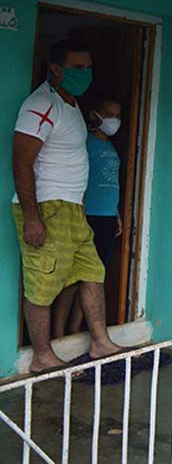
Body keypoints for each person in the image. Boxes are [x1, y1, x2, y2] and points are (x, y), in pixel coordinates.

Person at [12, 39, 126, 374]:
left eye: (88, 66)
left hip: (74, 208)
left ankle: (100, 342)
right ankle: (42, 356)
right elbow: (21, 162)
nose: (86, 73)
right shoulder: (40, 105)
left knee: (93, 272)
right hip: (47, 207)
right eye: (78, 67)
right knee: (42, 282)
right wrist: (33, 217)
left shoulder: (71, 104)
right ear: (56, 69)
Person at [52, 96, 123, 338]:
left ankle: (76, 327)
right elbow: (78, 181)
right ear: (94, 116)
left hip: (107, 218)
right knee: (73, 278)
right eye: (110, 114)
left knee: (94, 276)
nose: (115, 121)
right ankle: (59, 332)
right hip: (86, 216)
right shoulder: (85, 144)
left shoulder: (111, 148)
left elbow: (111, 184)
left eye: (117, 115)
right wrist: (79, 213)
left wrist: (117, 215)